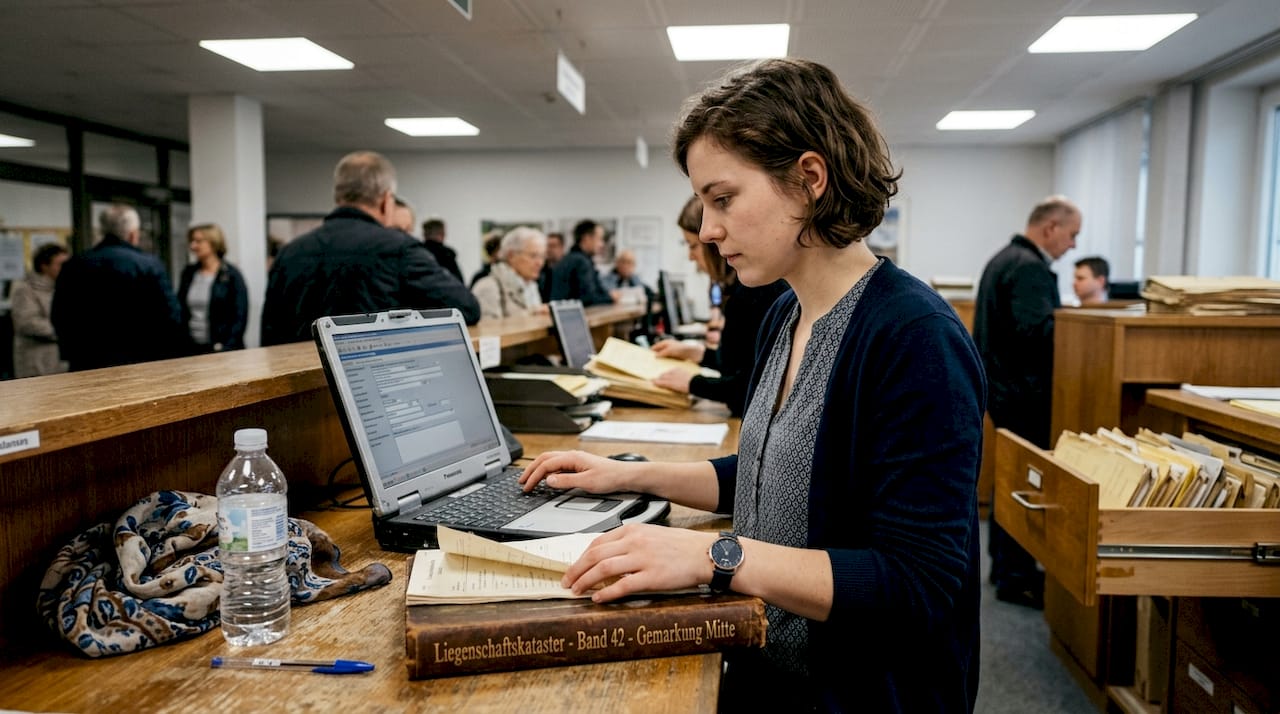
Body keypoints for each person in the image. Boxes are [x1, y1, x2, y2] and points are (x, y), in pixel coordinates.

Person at [520, 58, 984, 712]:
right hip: (767, 660)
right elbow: (770, 472)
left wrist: (715, 553)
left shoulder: (914, 338)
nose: (709, 229)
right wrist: (626, 474)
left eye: (724, 198)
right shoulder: (784, 312)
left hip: (859, 692)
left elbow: (915, 583)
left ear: (809, 179)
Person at [973, 195, 1082, 609]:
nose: (1072, 245)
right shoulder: (1029, 268)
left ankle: (1007, 568)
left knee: (1012, 482)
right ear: (1050, 228)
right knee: (1023, 486)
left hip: (1002, 391)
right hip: (1024, 394)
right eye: (1071, 235)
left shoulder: (1004, 258)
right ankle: (1015, 575)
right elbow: (1035, 332)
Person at [261, 151, 480, 345]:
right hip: (370, 381)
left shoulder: (290, 253)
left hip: (299, 384)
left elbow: (269, 334)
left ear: (338, 196)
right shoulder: (398, 249)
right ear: (387, 200)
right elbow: (466, 308)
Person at [651, 196, 787, 417]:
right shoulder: (742, 290)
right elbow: (741, 364)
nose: (690, 256)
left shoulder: (755, 291)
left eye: (693, 246)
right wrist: (698, 353)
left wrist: (694, 383)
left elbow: (752, 387)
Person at [52, 204, 184, 371]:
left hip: (87, 362)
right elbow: (170, 316)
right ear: (132, 234)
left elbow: (60, 315)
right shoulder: (148, 265)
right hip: (140, 362)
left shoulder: (74, 264)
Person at [176, 223, 249, 354]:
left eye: (198, 241)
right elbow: (180, 309)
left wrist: (225, 347)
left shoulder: (231, 275)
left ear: (214, 242)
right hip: (192, 350)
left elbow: (240, 317)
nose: (193, 246)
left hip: (222, 350)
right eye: (192, 241)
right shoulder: (188, 273)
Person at [10, 242, 69, 377]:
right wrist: (65, 331)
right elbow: (27, 322)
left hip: (58, 362)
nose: (65, 268)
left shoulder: (62, 287)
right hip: (36, 361)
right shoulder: (25, 289)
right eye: (60, 264)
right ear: (44, 266)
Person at [471, 227, 549, 319]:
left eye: (542, 256)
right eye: (533, 256)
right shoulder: (488, 287)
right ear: (511, 255)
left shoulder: (531, 286)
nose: (540, 263)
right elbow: (486, 330)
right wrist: (531, 314)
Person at [549, 220, 617, 306]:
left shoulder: (569, 258)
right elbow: (588, 298)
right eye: (599, 239)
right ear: (587, 238)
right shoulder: (581, 262)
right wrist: (610, 298)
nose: (602, 244)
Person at [421, 217, 464, 284]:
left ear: (424, 234)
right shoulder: (447, 255)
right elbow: (458, 282)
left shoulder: (416, 253)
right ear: (442, 234)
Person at [538, 231, 565, 302]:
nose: (549, 249)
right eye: (547, 246)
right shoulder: (539, 269)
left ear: (562, 248)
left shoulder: (568, 270)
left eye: (553, 246)